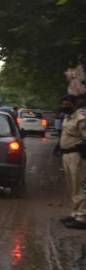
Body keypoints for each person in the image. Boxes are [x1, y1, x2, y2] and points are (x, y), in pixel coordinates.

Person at [59, 94, 86, 229]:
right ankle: (75, 213)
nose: (65, 106)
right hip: (67, 155)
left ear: (75, 104)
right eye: (63, 104)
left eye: (68, 104)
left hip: (77, 156)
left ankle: (82, 217)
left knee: (79, 186)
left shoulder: (81, 119)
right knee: (71, 186)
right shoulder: (67, 118)